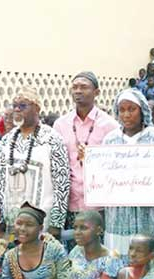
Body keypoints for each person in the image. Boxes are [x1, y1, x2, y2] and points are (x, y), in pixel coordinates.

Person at [102, 89, 154, 262]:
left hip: (150, 210)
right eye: (122, 110)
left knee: (152, 258)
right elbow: (102, 173)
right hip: (119, 210)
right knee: (120, 259)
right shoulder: (110, 140)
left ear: (142, 111)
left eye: (131, 109)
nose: (126, 114)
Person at [0, 87, 70, 240]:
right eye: (14, 105)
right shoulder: (8, 140)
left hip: (43, 222)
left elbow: (62, 182)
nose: (16, 109)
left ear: (37, 109)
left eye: (22, 106)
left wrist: (56, 222)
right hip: (11, 222)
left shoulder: (52, 139)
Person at [52, 72, 119, 218]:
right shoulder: (60, 124)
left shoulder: (110, 125)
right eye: (74, 87)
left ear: (96, 92)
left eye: (84, 87)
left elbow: (117, 163)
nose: (78, 91)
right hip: (69, 203)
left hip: (100, 204)